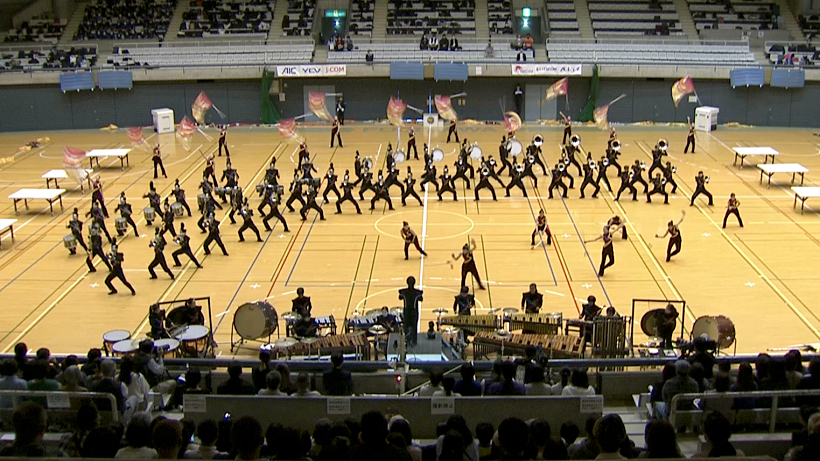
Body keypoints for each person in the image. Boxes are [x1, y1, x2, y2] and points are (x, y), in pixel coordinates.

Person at [399, 276, 423, 347]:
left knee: (407, 325)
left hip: (407, 311)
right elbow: (421, 298)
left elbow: (400, 296)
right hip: (413, 311)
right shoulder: (417, 293)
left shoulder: (404, 292)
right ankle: (413, 340)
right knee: (413, 326)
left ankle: (408, 340)